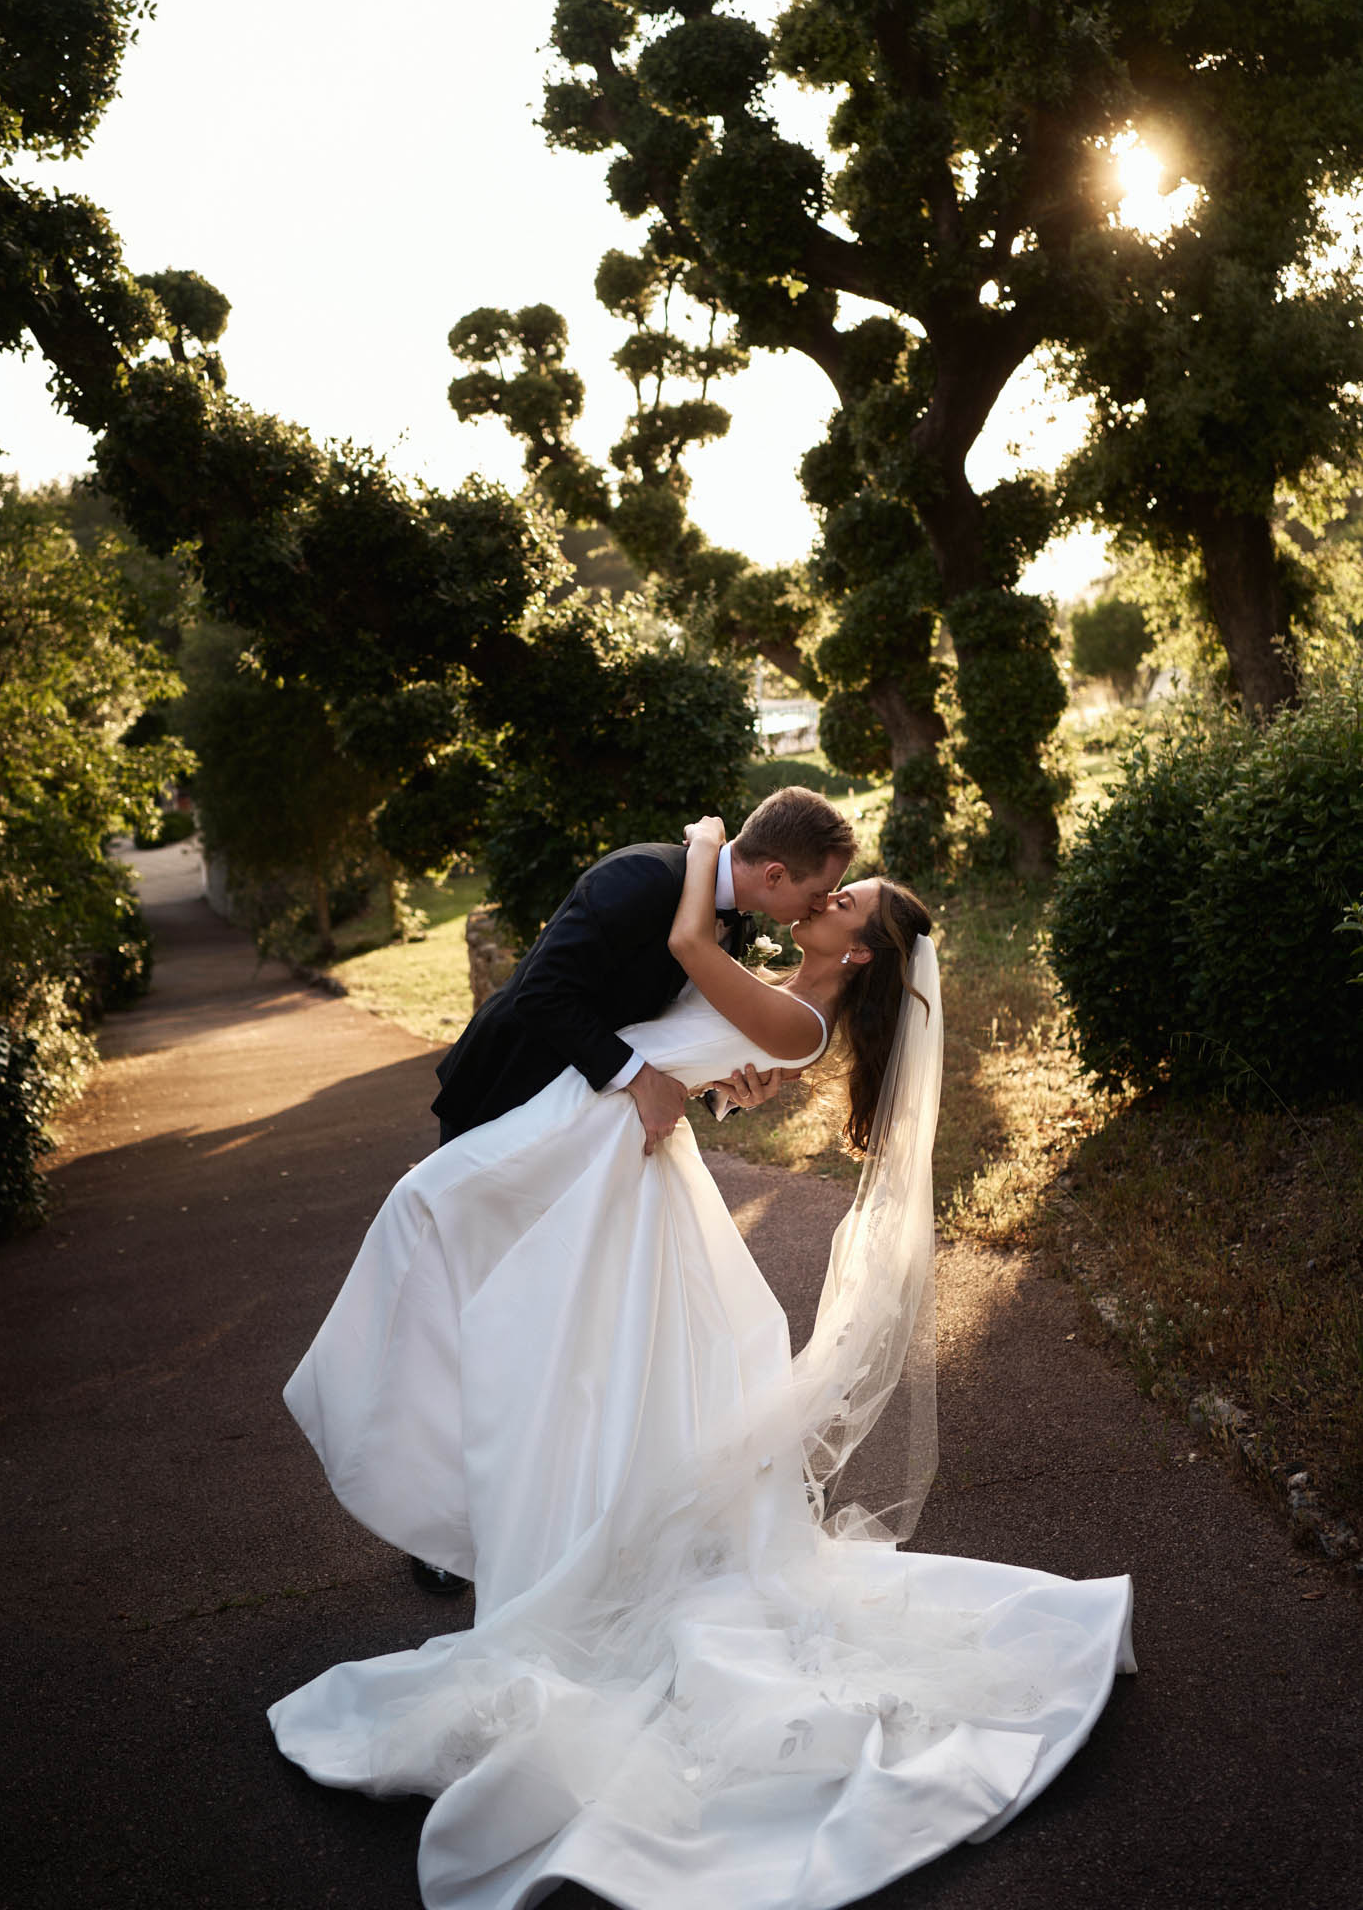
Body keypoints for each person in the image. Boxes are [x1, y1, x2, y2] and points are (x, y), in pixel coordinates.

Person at [270, 818, 1135, 1910]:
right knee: (552, 1329)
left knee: (520, 1306)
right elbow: (693, 1029)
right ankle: (499, 1492)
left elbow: (689, 954)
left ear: (856, 951)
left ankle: (528, 1506)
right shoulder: (784, 982)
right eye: (830, 888)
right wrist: (725, 1079)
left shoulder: (771, 976)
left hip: (613, 1148)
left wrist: (703, 841)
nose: (827, 904)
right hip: (606, 1136)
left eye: (845, 903)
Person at [430, 784, 858, 1155]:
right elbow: (542, 993)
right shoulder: (644, 877)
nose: (820, 905)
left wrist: (723, 1091)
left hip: (587, 1120)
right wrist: (642, 1080)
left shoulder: (740, 927)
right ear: (776, 875)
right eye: (820, 892)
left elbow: (673, 1024)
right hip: (510, 1089)